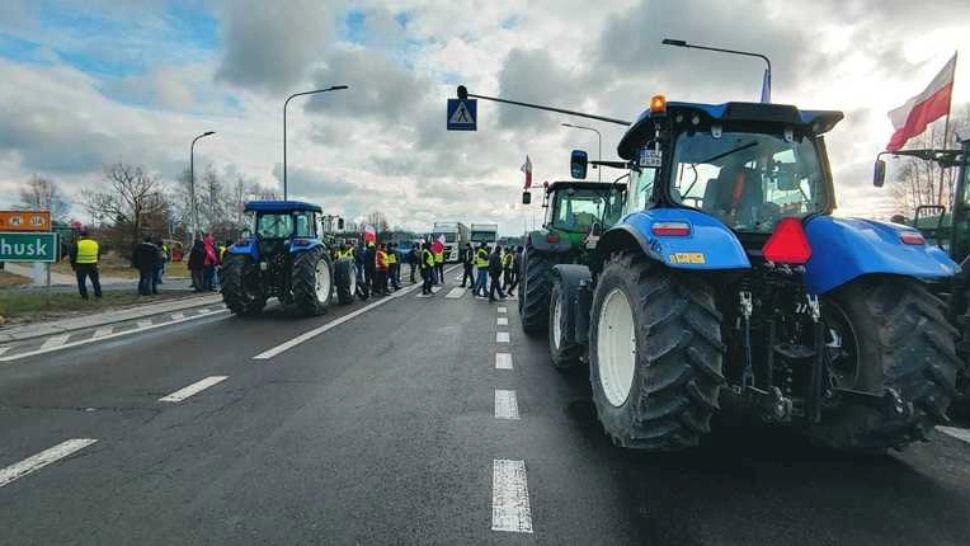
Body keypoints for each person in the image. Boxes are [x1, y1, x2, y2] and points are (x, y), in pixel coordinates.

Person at [69, 229, 102, 300]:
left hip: (80, 265)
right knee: (95, 281)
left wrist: (73, 266)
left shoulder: (77, 243)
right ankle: (98, 294)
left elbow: (72, 256)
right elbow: (98, 255)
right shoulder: (95, 243)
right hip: (93, 265)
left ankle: (84, 297)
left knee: (81, 282)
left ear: (81, 236)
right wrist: (95, 262)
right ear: (89, 235)